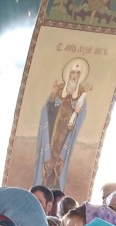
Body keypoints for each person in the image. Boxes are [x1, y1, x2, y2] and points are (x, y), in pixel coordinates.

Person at [34, 58, 90, 189]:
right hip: (54, 131)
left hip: (66, 133)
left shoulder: (81, 94)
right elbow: (47, 110)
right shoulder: (59, 90)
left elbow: (81, 114)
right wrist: (53, 96)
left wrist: (76, 114)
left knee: (60, 159)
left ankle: (56, 185)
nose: (75, 75)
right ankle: (44, 183)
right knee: (49, 156)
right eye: (73, 72)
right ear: (68, 74)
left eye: (77, 73)